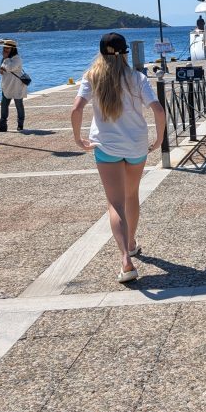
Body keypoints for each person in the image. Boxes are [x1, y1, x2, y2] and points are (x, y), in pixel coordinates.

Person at [70, 32, 166, 283]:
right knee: (131, 195)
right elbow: (158, 110)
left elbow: (76, 109)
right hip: (136, 147)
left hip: (106, 147)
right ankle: (131, 242)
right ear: (125, 53)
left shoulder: (91, 77)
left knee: (115, 203)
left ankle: (126, 260)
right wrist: (159, 139)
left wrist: (78, 139)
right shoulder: (137, 78)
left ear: (101, 53)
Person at [0, 39, 26, 133]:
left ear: (13, 49)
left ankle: (20, 124)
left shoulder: (17, 58)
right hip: (6, 86)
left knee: (19, 105)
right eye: (4, 48)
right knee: (3, 106)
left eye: (7, 48)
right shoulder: (5, 58)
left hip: (17, 86)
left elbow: (11, 67)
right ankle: (2, 126)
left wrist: (6, 59)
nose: (5, 50)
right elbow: (4, 69)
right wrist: (1, 70)